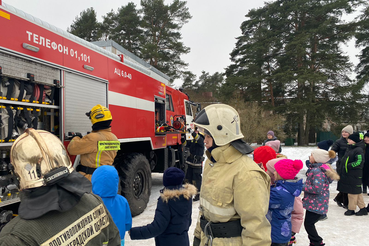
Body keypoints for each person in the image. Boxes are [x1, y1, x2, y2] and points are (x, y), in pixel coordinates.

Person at [0, 129, 120, 245]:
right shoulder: (94, 201)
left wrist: (75, 139)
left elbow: (73, 148)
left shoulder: (15, 237)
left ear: (18, 174)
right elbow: (113, 239)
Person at [193, 104, 271, 246]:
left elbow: (256, 227)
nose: (204, 140)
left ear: (222, 134)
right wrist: (198, 237)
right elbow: (204, 209)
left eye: (208, 135)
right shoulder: (212, 164)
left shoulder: (247, 173)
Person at [129, 167, 196, 246]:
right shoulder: (187, 197)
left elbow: (157, 228)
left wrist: (134, 232)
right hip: (183, 241)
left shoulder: (166, 201)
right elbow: (188, 222)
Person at [68, 104, 120, 181]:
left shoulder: (93, 138)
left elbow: (71, 149)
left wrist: (76, 138)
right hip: (106, 178)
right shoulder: (114, 138)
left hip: (92, 179)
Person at [303, 148, 339, 246]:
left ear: (317, 158)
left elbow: (317, 189)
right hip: (315, 202)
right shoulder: (319, 169)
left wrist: (302, 186)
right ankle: (314, 242)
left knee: (308, 224)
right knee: (309, 224)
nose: (309, 157)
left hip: (315, 203)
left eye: (311, 155)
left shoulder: (317, 171)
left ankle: (317, 242)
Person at [266, 156, 304, 246]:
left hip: (276, 232)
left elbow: (262, 201)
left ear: (281, 174)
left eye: (275, 171)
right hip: (282, 231)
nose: (273, 173)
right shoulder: (287, 189)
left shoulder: (279, 193)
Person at [92, 165, 132, 246]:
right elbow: (128, 224)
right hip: (118, 240)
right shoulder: (122, 201)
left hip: (99, 242)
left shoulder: (92, 202)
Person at [337, 132, 368, 216]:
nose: (348, 140)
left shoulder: (358, 149)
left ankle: (351, 209)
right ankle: (362, 208)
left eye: (350, 139)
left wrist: (348, 166)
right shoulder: (350, 148)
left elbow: (359, 161)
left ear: (354, 141)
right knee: (356, 191)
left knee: (352, 192)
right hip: (349, 173)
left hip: (355, 174)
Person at [331, 124, 353, 208]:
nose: (344, 133)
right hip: (341, 164)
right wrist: (332, 153)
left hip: (350, 164)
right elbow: (333, 150)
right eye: (343, 132)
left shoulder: (353, 141)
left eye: (346, 132)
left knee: (348, 183)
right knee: (343, 182)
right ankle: (345, 201)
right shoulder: (339, 141)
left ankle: (339, 198)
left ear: (350, 133)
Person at [184, 126, 205, 201]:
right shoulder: (194, 140)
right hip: (190, 162)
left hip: (197, 163)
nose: (196, 131)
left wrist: (191, 131)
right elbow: (187, 144)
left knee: (196, 180)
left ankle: (198, 194)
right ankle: (189, 193)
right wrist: (183, 138)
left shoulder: (201, 140)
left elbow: (197, 137)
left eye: (197, 131)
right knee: (188, 178)